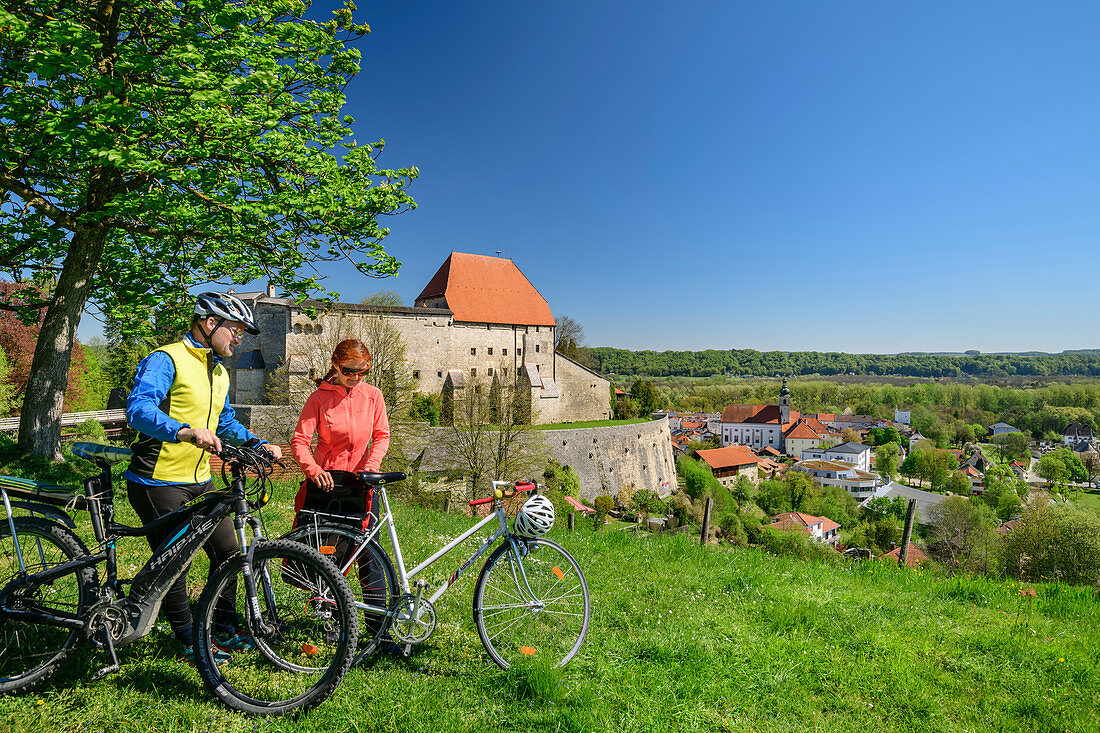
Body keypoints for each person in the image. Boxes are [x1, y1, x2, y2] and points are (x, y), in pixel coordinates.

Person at [125, 291, 283, 665]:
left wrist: (258, 443)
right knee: (175, 563)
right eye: (235, 330)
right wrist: (183, 431)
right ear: (210, 323)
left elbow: (223, 421)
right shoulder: (167, 359)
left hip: (200, 480)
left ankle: (223, 622)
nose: (239, 338)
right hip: (156, 480)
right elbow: (138, 410)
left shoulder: (218, 371)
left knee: (229, 551)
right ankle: (187, 638)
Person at [290, 338, 390, 515]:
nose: (356, 377)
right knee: (319, 541)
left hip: (361, 480)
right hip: (326, 481)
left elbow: (382, 436)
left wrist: (372, 466)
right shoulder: (318, 398)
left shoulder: (374, 396)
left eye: (362, 372)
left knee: (365, 541)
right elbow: (299, 441)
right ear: (335, 364)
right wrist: (314, 471)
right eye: (349, 371)